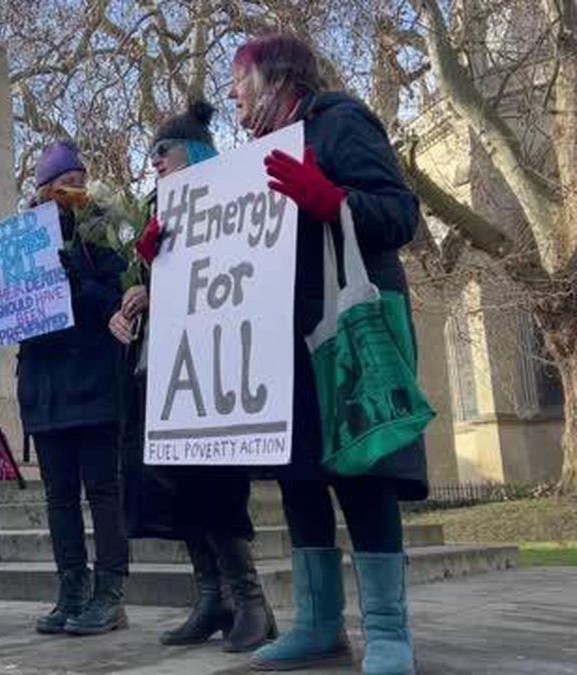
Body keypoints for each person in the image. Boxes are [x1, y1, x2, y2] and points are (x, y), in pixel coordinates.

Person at [227, 34, 427, 675]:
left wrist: (333, 200)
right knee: (301, 479)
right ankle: (317, 624)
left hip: (341, 331)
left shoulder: (340, 123)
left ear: (277, 79)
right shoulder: (249, 159)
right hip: (278, 341)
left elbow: (399, 215)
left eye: (239, 80)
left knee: (360, 470)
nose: (233, 93)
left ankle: (389, 632)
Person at [112, 103, 277, 652]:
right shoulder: (155, 213)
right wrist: (132, 303)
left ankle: (249, 599)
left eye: (166, 150)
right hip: (164, 365)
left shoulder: (231, 193)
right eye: (152, 152)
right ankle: (212, 596)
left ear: (197, 152)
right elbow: (154, 283)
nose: (155, 160)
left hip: (213, 367)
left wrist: (158, 293)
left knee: (214, 485)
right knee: (176, 485)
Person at [20, 141, 130, 637]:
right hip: (44, 383)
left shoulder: (102, 231)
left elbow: (115, 297)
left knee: (102, 490)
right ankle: (71, 588)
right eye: (63, 185)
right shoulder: (19, 240)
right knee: (58, 496)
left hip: (91, 376)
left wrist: (74, 280)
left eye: (78, 183)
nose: (72, 192)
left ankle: (110, 591)